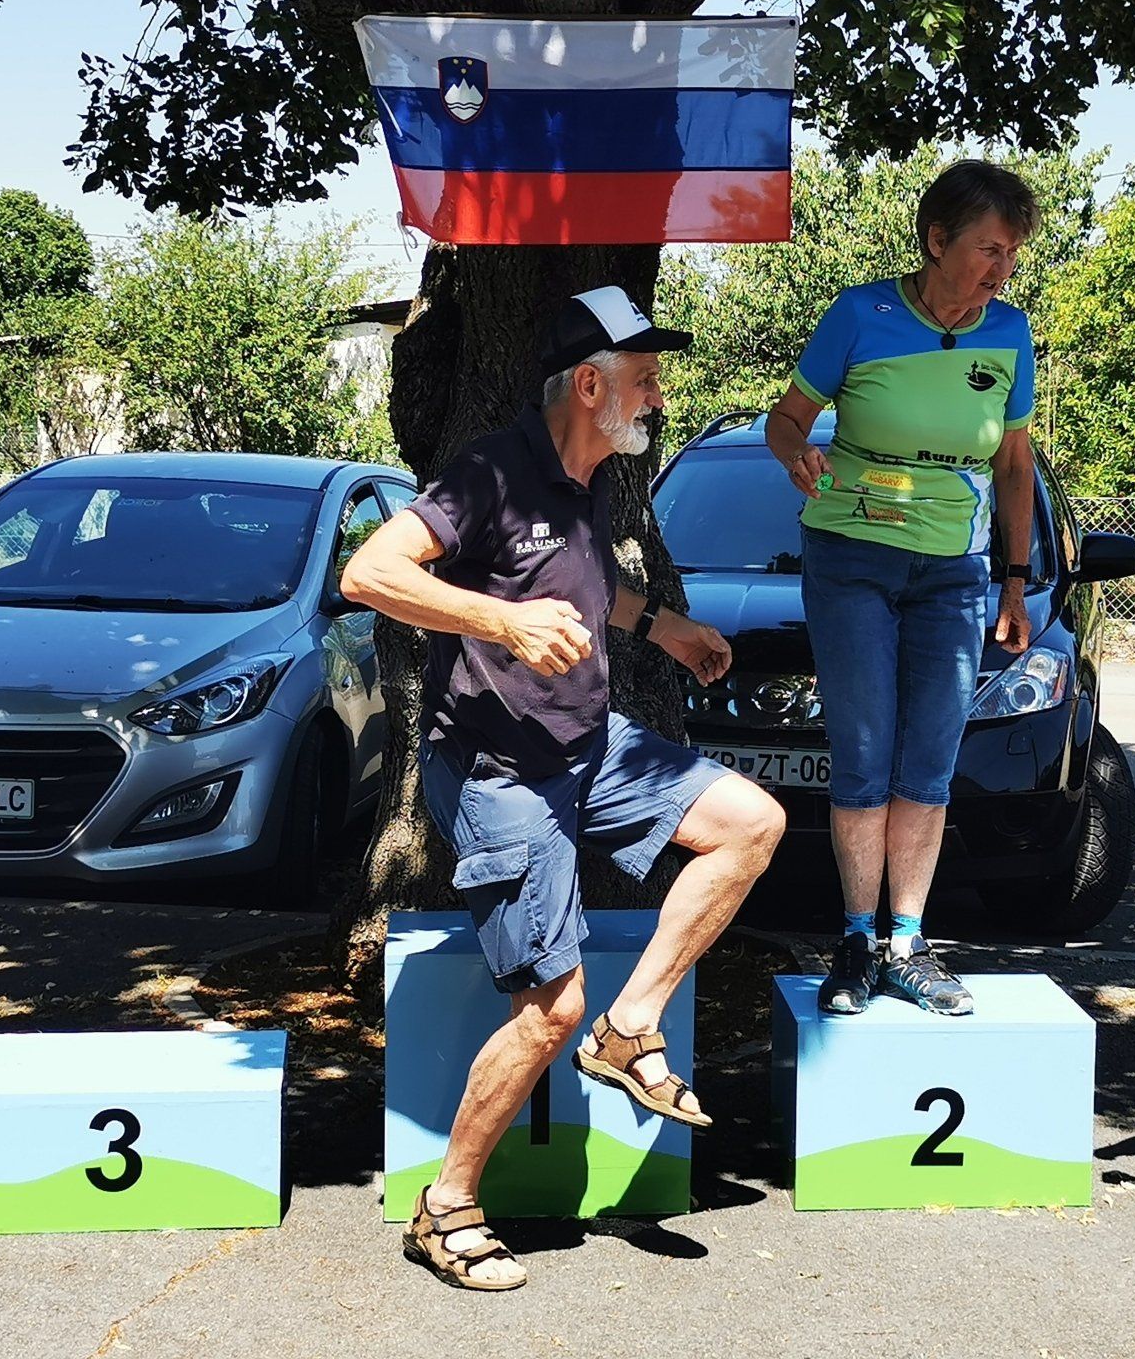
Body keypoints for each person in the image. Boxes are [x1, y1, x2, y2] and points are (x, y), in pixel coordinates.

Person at [341, 285, 786, 1292]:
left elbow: (579, 580)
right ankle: (446, 1207)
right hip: (500, 774)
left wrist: (661, 625)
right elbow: (370, 574)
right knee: (550, 1009)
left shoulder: (587, 482)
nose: (659, 395)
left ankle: (631, 1030)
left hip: (589, 746)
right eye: (645, 376)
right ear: (590, 385)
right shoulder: (493, 471)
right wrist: (501, 623)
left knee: (750, 824)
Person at [763, 159, 1039, 1018]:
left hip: (953, 570)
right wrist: (797, 454)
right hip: (850, 556)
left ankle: (909, 941)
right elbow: (786, 418)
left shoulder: (1011, 332)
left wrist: (1015, 582)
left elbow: (1015, 463)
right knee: (864, 746)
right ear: (936, 240)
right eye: (989, 249)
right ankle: (855, 938)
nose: (1001, 268)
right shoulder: (860, 314)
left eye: (1012, 253)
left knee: (930, 755)